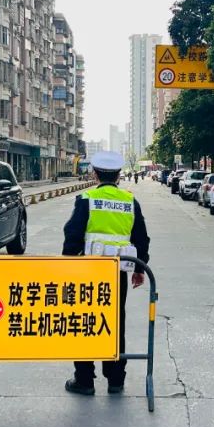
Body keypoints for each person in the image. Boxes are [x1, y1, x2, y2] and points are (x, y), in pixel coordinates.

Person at [61, 151, 150, 395]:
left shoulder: (86, 199)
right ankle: (115, 380)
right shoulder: (129, 201)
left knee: (85, 322)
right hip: (117, 272)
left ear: (95, 174)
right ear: (119, 176)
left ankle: (84, 380)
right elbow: (141, 238)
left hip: (87, 272)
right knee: (114, 321)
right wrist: (139, 268)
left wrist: (68, 264)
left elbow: (72, 236)